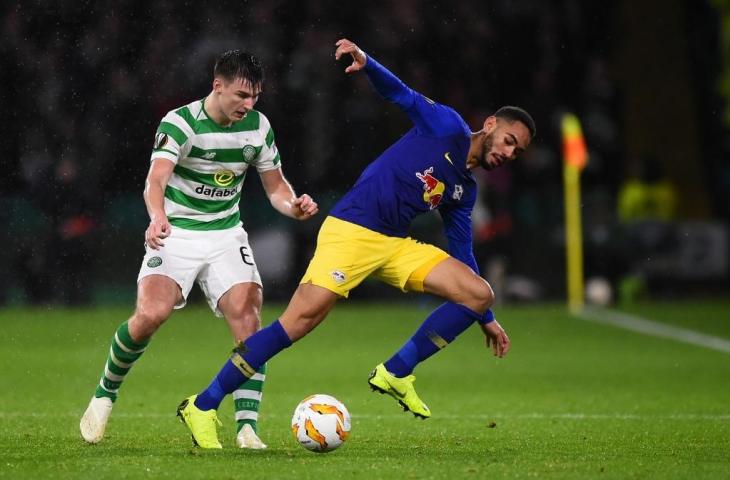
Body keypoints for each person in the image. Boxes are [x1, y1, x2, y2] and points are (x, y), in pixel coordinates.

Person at [177, 38, 534, 448]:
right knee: (296, 325)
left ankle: (397, 372)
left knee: (477, 292)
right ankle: (202, 406)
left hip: (394, 244)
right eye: (509, 140)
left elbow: (463, 252)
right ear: (490, 125)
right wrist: (368, 64)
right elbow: (402, 95)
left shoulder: (464, 190)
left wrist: (485, 316)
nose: (509, 152)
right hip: (351, 230)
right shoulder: (447, 127)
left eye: (517, 151)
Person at [79, 50, 318, 449]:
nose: (249, 104)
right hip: (177, 231)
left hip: (226, 234)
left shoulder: (258, 127)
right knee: (150, 315)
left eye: (255, 96)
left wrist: (293, 206)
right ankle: (105, 393)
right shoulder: (180, 123)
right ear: (217, 86)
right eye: (241, 95)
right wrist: (157, 217)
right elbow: (155, 181)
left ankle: (246, 428)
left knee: (248, 318)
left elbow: (276, 187)